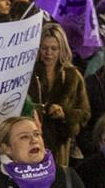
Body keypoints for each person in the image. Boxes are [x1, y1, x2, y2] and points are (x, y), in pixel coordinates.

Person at [0, 110, 84, 188]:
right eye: (24, 137)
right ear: (6, 148)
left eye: (37, 134)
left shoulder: (67, 177)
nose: (34, 140)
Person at [27, 25, 91, 165]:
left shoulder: (72, 76)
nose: (48, 53)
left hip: (59, 146)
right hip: (29, 143)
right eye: (44, 48)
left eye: (54, 48)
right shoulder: (28, 74)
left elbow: (84, 113)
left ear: (62, 49)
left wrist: (64, 115)